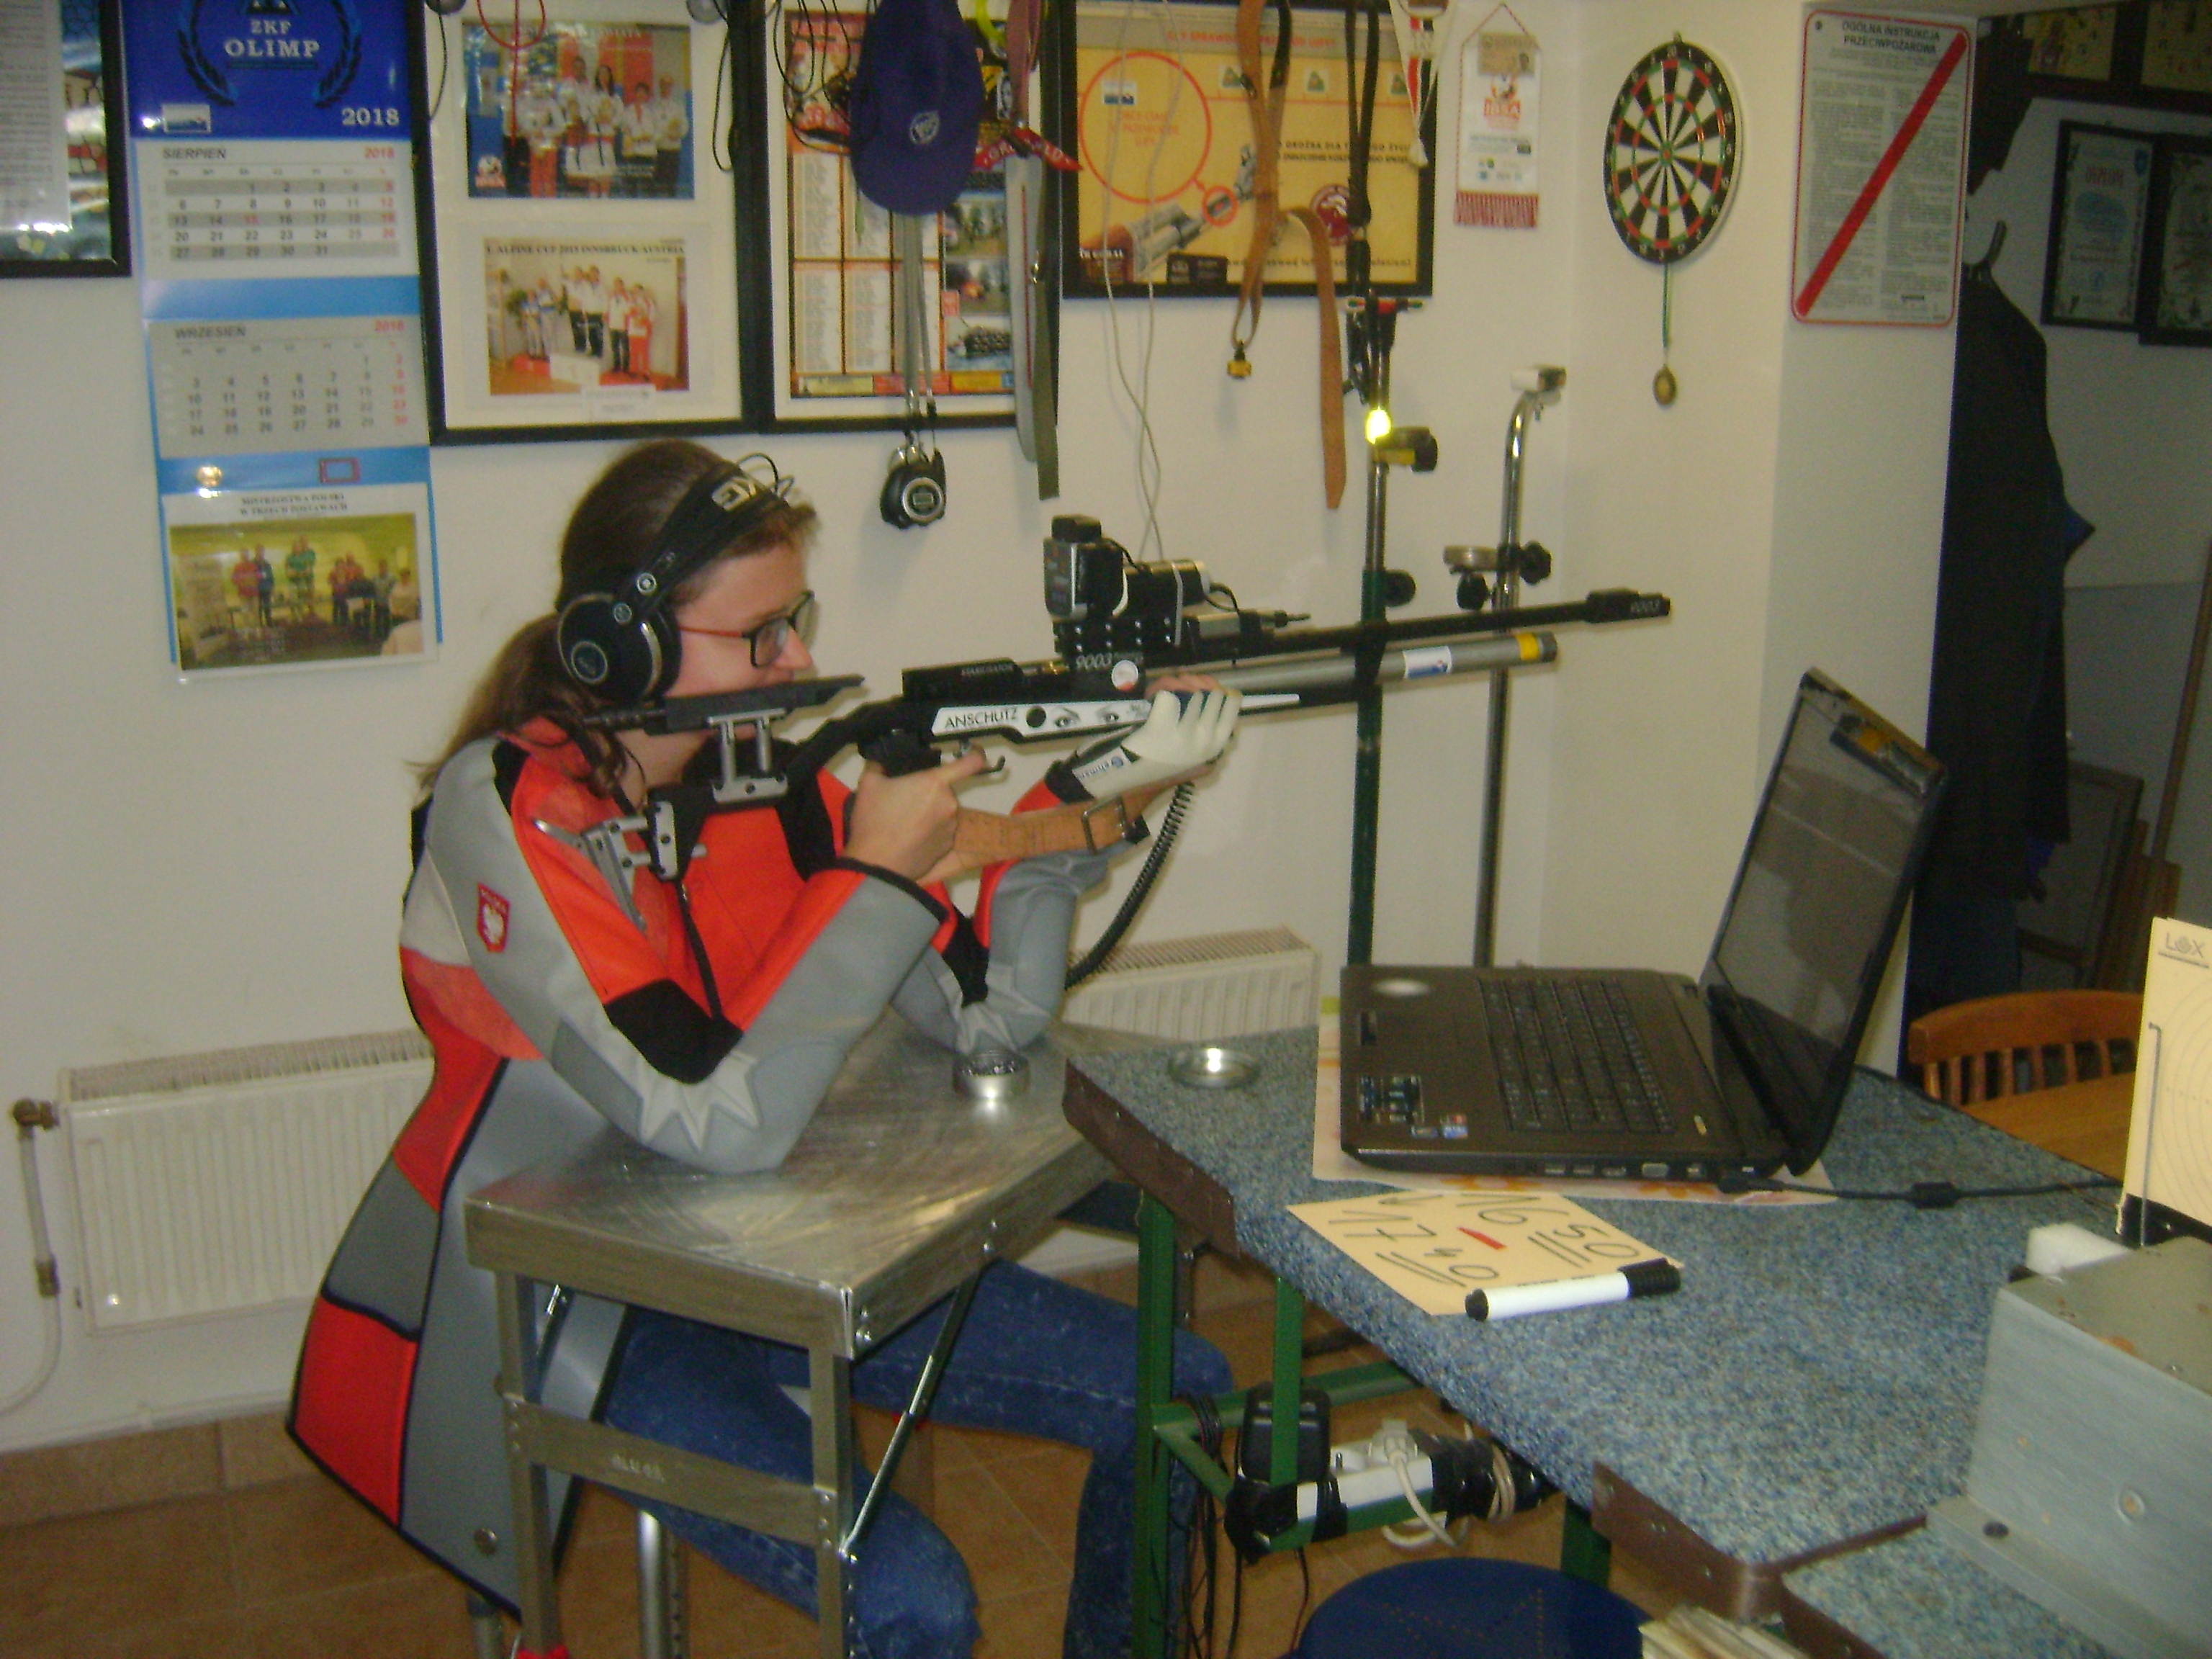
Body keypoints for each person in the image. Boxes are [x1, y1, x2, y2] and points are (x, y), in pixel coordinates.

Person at [289, 440, 1237, 1659]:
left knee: (1180, 1388)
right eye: (759, 634)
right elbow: (710, 1117)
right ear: (625, 646)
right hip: (590, 1303)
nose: (793, 660)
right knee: (915, 1597)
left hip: (779, 1249)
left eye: (796, 620)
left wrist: (1088, 804)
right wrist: (869, 874)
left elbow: (989, 1023)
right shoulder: (515, 809)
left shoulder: (766, 789)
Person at [651, 72, 688, 197]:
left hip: (673, 149)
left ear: (672, 87)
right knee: (657, 184)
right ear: (660, 86)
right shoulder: (653, 106)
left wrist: (678, 134)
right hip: (658, 149)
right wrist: (663, 133)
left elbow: (684, 126)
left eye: (669, 84)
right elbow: (651, 126)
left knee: (671, 185)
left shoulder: (678, 106)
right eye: (663, 84)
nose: (666, 87)